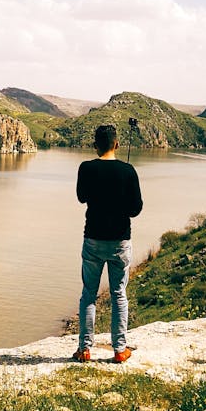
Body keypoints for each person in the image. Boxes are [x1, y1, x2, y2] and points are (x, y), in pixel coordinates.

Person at [73, 123, 143, 363]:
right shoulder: (128, 171)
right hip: (120, 242)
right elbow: (135, 209)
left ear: (95, 146)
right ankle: (119, 350)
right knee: (118, 295)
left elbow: (82, 197)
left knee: (88, 295)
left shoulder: (86, 168)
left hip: (92, 239)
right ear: (117, 144)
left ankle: (84, 349)